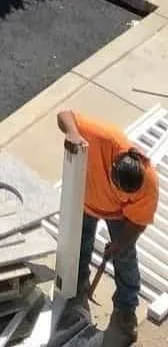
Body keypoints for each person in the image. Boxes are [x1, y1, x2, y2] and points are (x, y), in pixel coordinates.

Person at [58, 108, 159, 340]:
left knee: (125, 257)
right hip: (86, 201)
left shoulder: (148, 185)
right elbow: (64, 115)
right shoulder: (104, 137)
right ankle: (77, 293)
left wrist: (120, 243)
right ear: (114, 166)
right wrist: (73, 133)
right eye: (119, 189)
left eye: (128, 194)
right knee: (79, 249)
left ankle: (126, 308)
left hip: (119, 215)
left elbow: (138, 223)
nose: (122, 194)